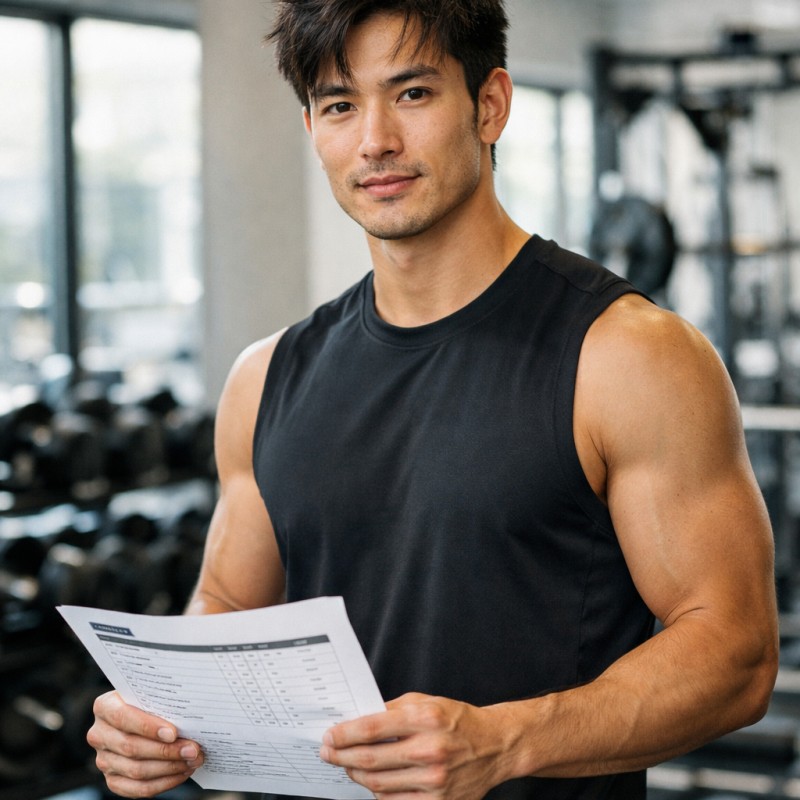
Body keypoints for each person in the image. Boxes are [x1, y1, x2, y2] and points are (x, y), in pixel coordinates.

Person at [87, 1, 779, 798]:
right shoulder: (266, 376)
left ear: (490, 105)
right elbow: (228, 603)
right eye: (339, 105)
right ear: (312, 128)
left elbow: (736, 654)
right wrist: (159, 718)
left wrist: (503, 742)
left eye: (412, 93)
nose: (375, 140)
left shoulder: (628, 355)